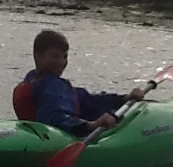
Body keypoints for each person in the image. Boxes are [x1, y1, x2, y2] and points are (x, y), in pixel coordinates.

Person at [13, 29, 144, 135]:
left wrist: (123, 99)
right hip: (56, 139)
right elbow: (54, 118)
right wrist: (92, 125)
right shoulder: (52, 86)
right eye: (55, 56)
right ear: (38, 57)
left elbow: (88, 100)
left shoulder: (33, 81)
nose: (61, 62)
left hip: (39, 136)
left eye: (65, 56)